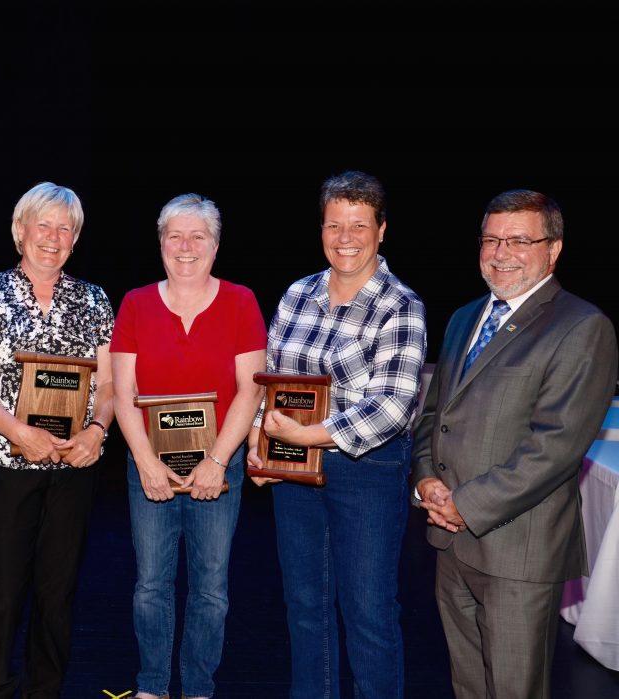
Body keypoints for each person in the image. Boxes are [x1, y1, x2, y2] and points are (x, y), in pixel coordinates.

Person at [412, 189, 617, 699]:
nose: (501, 252)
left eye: (519, 240)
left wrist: (465, 504)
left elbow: (555, 448)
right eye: (491, 239)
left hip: (519, 554)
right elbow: (434, 416)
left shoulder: (583, 327)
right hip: (450, 542)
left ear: (554, 249)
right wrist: (427, 481)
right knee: (468, 685)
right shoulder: (464, 317)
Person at [248, 170, 427, 699]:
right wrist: (265, 448)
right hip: (294, 469)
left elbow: (393, 407)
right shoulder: (297, 293)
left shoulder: (401, 305)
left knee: (368, 611)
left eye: (358, 225)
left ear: (382, 230)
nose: (345, 238)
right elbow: (269, 380)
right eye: (334, 225)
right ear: (321, 228)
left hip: (368, 468)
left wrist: (310, 437)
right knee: (304, 607)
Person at [0, 181, 114, 699]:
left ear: (76, 239)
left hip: (74, 468)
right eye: (43, 225)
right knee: (4, 589)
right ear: (20, 231)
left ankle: (46, 690)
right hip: (5, 464)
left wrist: (96, 430)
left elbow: (111, 386)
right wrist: (20, 432)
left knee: (58, 591)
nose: (54, 237)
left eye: (65, 228)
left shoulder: (93, 299)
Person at [111, 193, 266, 699]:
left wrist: (218, 460)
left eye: (198, 236)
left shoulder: (241, 301)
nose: (186, 246)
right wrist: (145, 461)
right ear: (160, 245)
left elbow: (251, 389)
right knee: (150, 586)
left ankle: (199, 688)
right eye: (174, 235)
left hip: (219, 469)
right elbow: (121, 391)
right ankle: (152, 686)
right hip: (148, 465)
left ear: (215, 246)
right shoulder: (135, 303)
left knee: (211, 591)